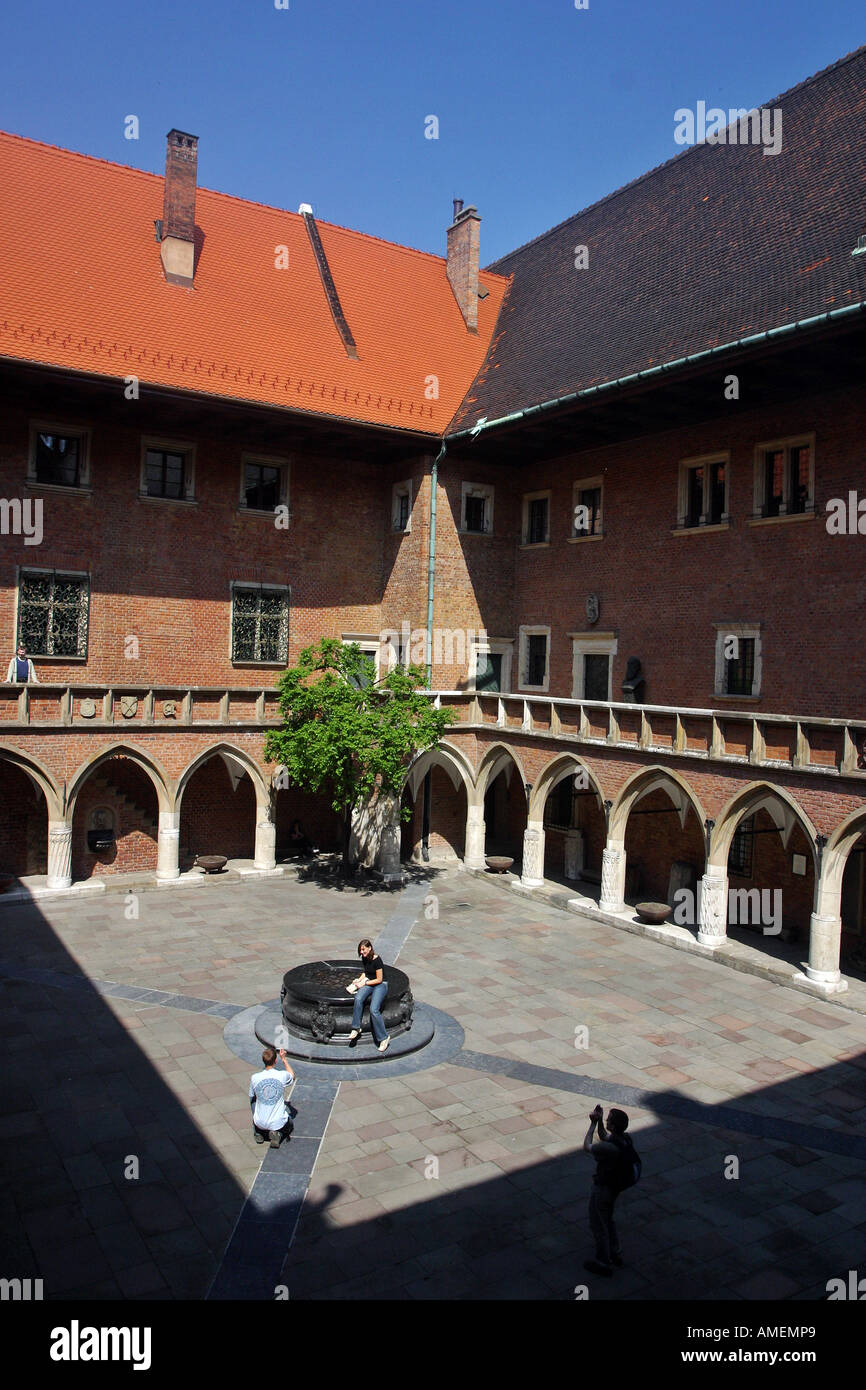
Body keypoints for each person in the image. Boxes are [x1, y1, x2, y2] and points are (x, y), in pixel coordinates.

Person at [582, 1104, 636, 1276]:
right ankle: (615, 1252)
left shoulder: (607, 1149)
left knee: (598, 1224)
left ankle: (603, 1263)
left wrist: (591, 1124)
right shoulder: (625, 1138)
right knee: (608, 1219)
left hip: (603, 1189)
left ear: (613, 1125)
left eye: (608, 1120)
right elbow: (605, 1136)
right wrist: (599, 1122)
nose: (606, 1120)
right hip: (615, 1188)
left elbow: (587, 1146)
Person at [348, 938, 390, 1052]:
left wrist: (365, 983)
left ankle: (384, 1038)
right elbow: (366, 972)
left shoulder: (377, 960)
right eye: (360, 951)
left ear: (369, 948)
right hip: (369, 982)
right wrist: (358, 980)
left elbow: (380, 979)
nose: (361, 952)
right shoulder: (365, 958)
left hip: (380, 985)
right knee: (358, 998)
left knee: (373, 1009)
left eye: (363, 950)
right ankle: (356, 1028)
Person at [249, 1046, 295, 1148]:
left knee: (253, 1101)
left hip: (259, 1122)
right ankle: (278, 1134)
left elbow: (251, 1098)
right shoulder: (281, 1075)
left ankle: (258, 1132)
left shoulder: (254, 1078)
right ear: (275, 1060)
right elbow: (292, 1075)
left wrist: (255, 1116)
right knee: (290, 1121)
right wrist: (284, 1059)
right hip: (277, 1123)